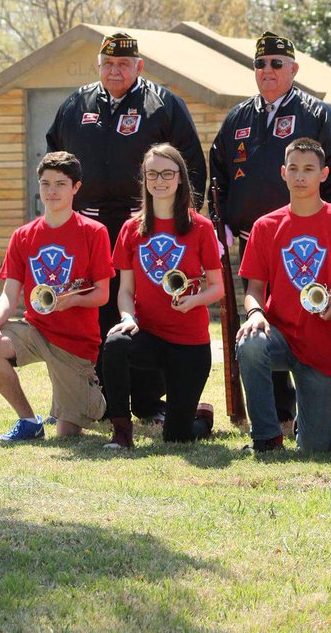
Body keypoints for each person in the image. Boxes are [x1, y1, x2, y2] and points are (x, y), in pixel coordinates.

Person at [46, 31, 207, 421]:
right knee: (91, 310)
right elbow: (55, 163)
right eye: (107, 64)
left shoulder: (164, 104)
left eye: (123, 64)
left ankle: (149, 403)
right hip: (88, 228)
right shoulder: (75, 104)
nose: (114, 70)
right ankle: (95, 402)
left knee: (144, 309)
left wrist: (184, 224)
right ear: (97, 66)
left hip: (147, 226)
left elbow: (192, 165)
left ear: (139, 66)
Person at [210, 32, 331, 433]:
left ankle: (311, 403)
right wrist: (218, 225)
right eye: (260, 64)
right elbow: (218, 175)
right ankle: (276, 415)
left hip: (308, 244)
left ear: (293, 69)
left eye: (277, 64)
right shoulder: (238, 118)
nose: (267, 71)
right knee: (259, 323)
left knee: (307, 318)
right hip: (252, 240)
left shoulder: (317, 114)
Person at [235, 138, 331, 453]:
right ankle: (267, 438)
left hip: (321, 344)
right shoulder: (265, 226)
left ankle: (308, 422)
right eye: (293, 168)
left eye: (308, 169)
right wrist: (255, 314)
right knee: (250, 343)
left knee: (314, 448)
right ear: (283, 173)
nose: (300, 176)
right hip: (278, 335)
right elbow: (254, 290)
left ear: (323, 174)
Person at [0, 152, 112, 442]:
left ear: (76, 188)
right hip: (36, 329)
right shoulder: (23, 235)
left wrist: (72, 300)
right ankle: (28, 421)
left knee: (67, 434)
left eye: (60, 184)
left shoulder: (94, 232)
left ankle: (88, 401)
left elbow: (102, 294)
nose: (51, 191)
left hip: (76, 342)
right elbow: (9, 294)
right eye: (45, 183)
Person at [100, 144, 225, 449]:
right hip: (150, 337)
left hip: (189, 345)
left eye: (167, 173)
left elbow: (217, 287)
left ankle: (200, 417)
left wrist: (194, 301)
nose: (160, 180)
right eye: (152, 173)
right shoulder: (131, 229)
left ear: (180, 178)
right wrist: (128, 317)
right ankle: (121, 432)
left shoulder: (201, 227)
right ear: (144, 178)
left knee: (177, 437)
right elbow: (125, 291)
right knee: (115, 343)